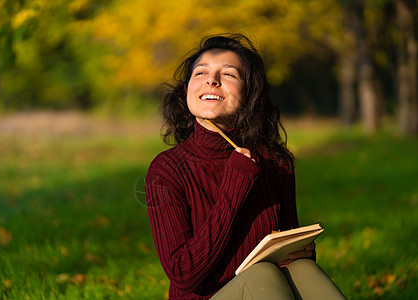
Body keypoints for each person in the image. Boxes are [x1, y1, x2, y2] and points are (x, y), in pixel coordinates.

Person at [145, 34, 345, 299]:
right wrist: (235, 185)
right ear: (186, 91)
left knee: (303, 269)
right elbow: (184, 274)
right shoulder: (167, 169)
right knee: (262, 273)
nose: (212, 80)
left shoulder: (275, 161)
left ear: (250, 93)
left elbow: (283, 245)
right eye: (201, 73)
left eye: (228, 74)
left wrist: (299, 253)